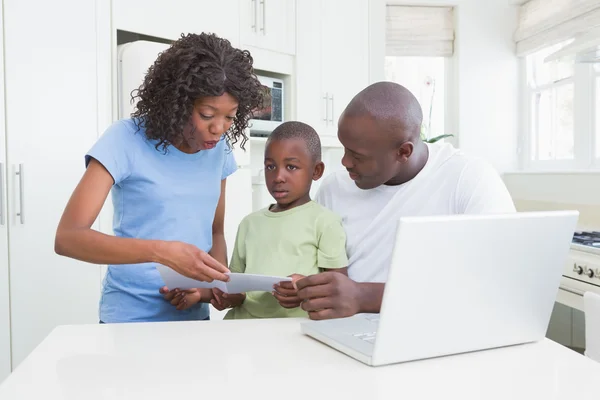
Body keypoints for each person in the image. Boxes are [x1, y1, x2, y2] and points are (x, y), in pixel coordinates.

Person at [54, 33, 264, 323]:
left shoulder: (219, 150)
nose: (218, 128)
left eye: (230, 117)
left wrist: (214, 287)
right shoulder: (125, 139)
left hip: (192, 320)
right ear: (176, 103)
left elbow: (215, 232)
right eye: (206, 114)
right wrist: (161, 252)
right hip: (129, 319)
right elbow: (68, 237)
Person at [293, 81, 516, 320]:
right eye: (344, 149)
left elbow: (499, 281)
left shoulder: (469, 178)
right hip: (342, 332)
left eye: (357, 155)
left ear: (404, 152)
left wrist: (363, 296)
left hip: (435, 327)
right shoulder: (334, 187)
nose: (345, 162)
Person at [189, 121, 349, 319]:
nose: (278, 176)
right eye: (270, 166)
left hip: (293, 333)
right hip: (242, 329)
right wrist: (222, 296)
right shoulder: (249, 223)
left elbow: (339, 288)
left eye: (291, 167)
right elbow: (237, 289)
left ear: (316, 171)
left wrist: (304, 290)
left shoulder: (325, 222)